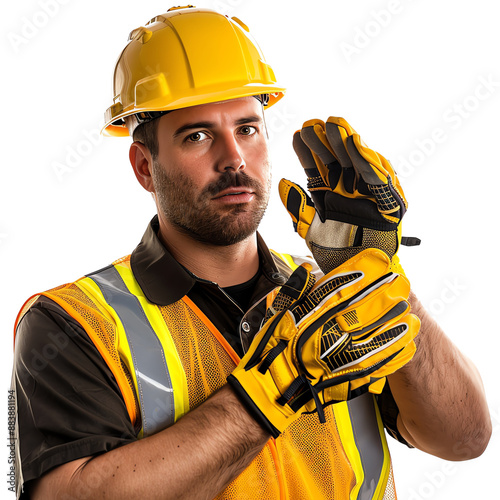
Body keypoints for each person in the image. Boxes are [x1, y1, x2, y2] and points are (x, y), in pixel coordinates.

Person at [11, 6, 491, 500]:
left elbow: (466, 438)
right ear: (144, 167)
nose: (233, 158)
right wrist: (270, 391)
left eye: (247, 128)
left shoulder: (335, 297)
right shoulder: (74, 322)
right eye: (197, 135)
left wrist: (378, 277)